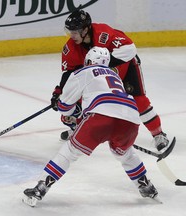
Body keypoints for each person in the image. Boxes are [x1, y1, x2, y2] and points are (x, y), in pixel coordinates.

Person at [22, 47, 158, 207]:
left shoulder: (82, 73)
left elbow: (65, 107)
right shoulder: (114, 75)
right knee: (125, 153)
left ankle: (41, 187)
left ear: (88, 61)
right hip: (131, 119)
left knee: (69, 152)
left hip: (100, 117)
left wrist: (68, 107)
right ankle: (146, 186)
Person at [51, 9, 169, 152]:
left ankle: (158, 135)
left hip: (126, 70)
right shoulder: (71, 48)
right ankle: (79, 129)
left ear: (86, 29)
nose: (72, 36)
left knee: (139, 101)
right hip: (102, 77)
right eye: (70, 31)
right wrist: (59, 91)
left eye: (75, 31)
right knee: (77, 107)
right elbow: (69, 72)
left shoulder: (104, 33)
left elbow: (130, 48)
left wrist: (106, 63)